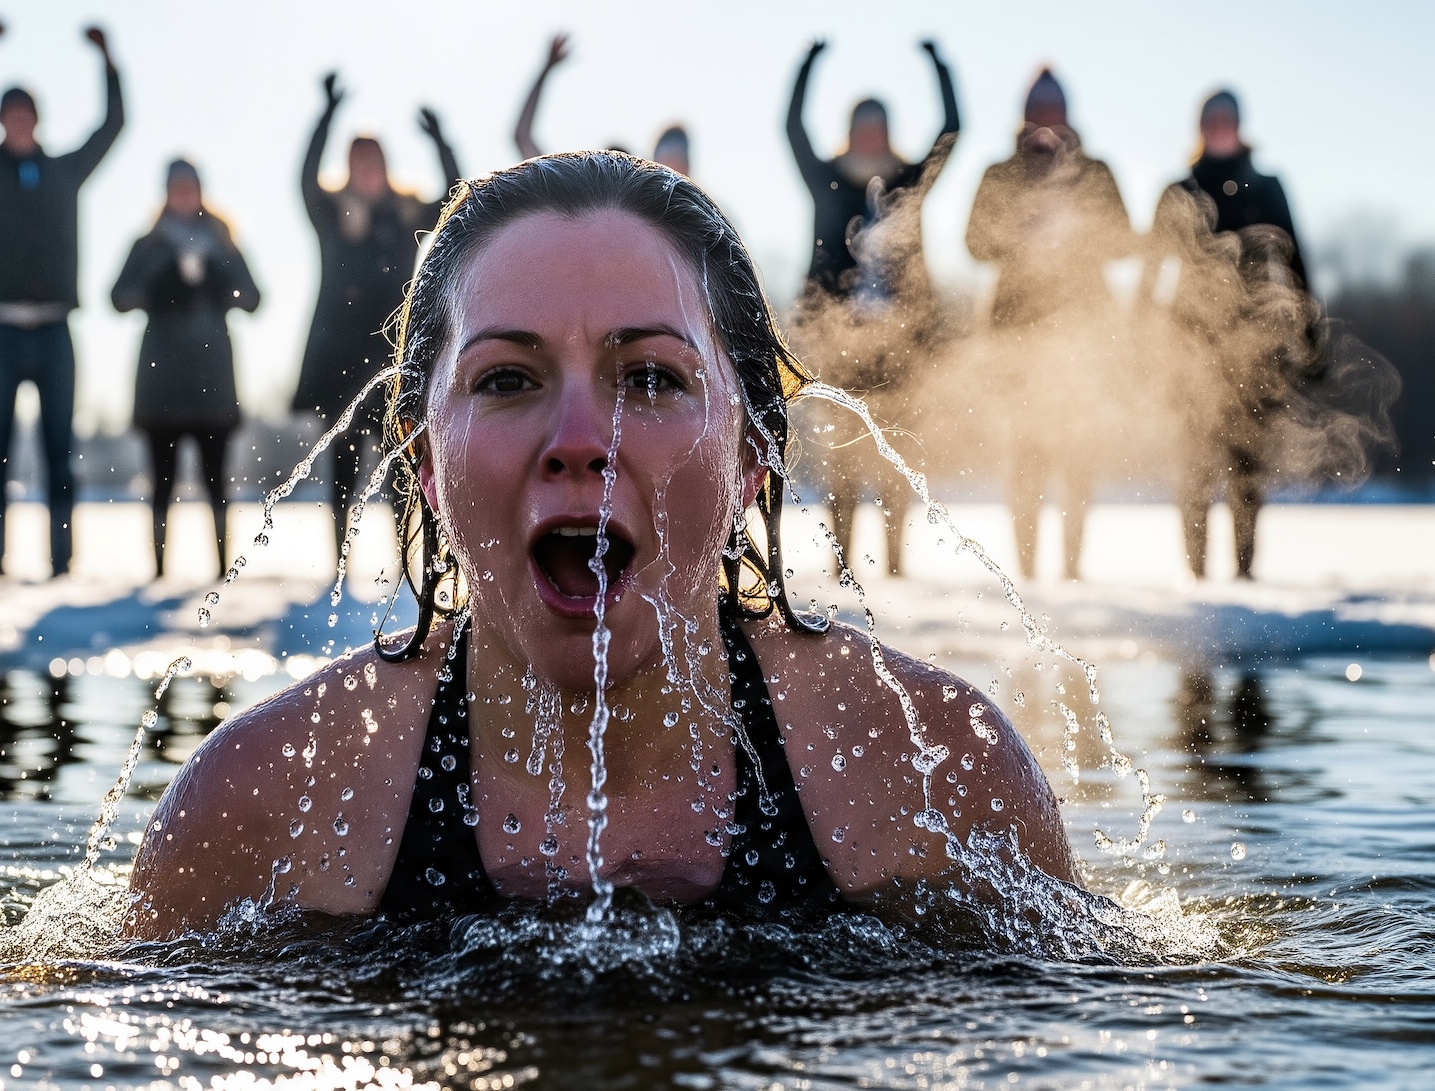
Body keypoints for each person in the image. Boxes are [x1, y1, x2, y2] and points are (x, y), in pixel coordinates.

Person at [123, 152, 1074, 939]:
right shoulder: (259, 805)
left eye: (652, 377)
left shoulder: (935, 776)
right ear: (423, 462)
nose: (581, 436)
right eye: (505, 379)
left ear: (752, 452)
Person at [0, 17, 123, 579]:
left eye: (27, 113)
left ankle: (61, 565)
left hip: (53, 331)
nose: (19, 122)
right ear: (0, 121)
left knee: (59, 456)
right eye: (10, 114)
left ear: (38, 120)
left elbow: (113, 125)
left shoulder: (64, 172)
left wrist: (107, 60)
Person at [785, 38, 960, 577]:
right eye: (862, 124)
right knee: (841, 455)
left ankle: (896, 563)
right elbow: (792, 129)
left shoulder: (908, 183)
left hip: (900, 342)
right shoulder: (828, 182)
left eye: (878, 125)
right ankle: (840, 562)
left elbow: (952, 131)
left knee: (895, 454)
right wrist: (808, 62)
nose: (870, 135)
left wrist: (937, 62)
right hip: (841, 341)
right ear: (850, 131)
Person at [965, 69, 1133, 582]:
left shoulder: (1094, 172)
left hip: (1082, 337)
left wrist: (1077, 233)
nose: (1045, 118)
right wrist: (1021, 231)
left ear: (1067, 112)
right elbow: (973, 243)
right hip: (1015, 337)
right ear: (1024, 113)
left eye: (1053, 107)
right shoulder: (1000, 173)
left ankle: (1073, 573)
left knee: (1077, 454)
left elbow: (1125, 241)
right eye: (1037, 107)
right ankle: (1028, 576)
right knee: (1025, 455)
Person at [293, 73, 459, 566]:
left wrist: (440, 140)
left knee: (399, 470)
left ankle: (401, 563)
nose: (367, 167)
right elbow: (303, 179)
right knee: (342, 462)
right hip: (339, 357)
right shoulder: (332, 215)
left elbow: (456, 196)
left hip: (394, 356)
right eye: (358, 159)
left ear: (386, 165)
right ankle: (339, 562)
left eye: (375, 159)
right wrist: (324, 116)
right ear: (348, 166)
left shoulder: (405, 215)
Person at [1143, 90, 1308, 580]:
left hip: (1255, 345)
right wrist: (1139, 338)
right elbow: (1152, 273)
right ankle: (1197, 578)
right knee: (1194, 466)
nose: (1219, 126)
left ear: (1240, 125)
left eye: (1227, 119)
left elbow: (1296, 265)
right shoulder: (1179, 191)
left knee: (1247, 467)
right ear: (1199, 126)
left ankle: (1243, 574)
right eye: (1211, 118)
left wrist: (1310, 338)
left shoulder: (1268, 188)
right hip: (1190, 346)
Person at [111, 159, 260, 579]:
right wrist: (158, 280)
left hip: (211, 382)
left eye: (188, 187)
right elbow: (118, 298)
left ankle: (221, 567)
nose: (182, 194)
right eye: (175, 187)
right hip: (162, 383)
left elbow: (251, 298)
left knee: (217, 481)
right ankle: (158, 570)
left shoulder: (223, 242)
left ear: (200, 191)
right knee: (161, 481)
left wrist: (217, 278)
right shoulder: (147, 245)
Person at [513, 33, 694, 175]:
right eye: (608, 168)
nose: (614, 175)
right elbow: (523, 137)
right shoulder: (575, 192)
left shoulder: (656, 202)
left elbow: (522, 137)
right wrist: (545, 70)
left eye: (622, 169)